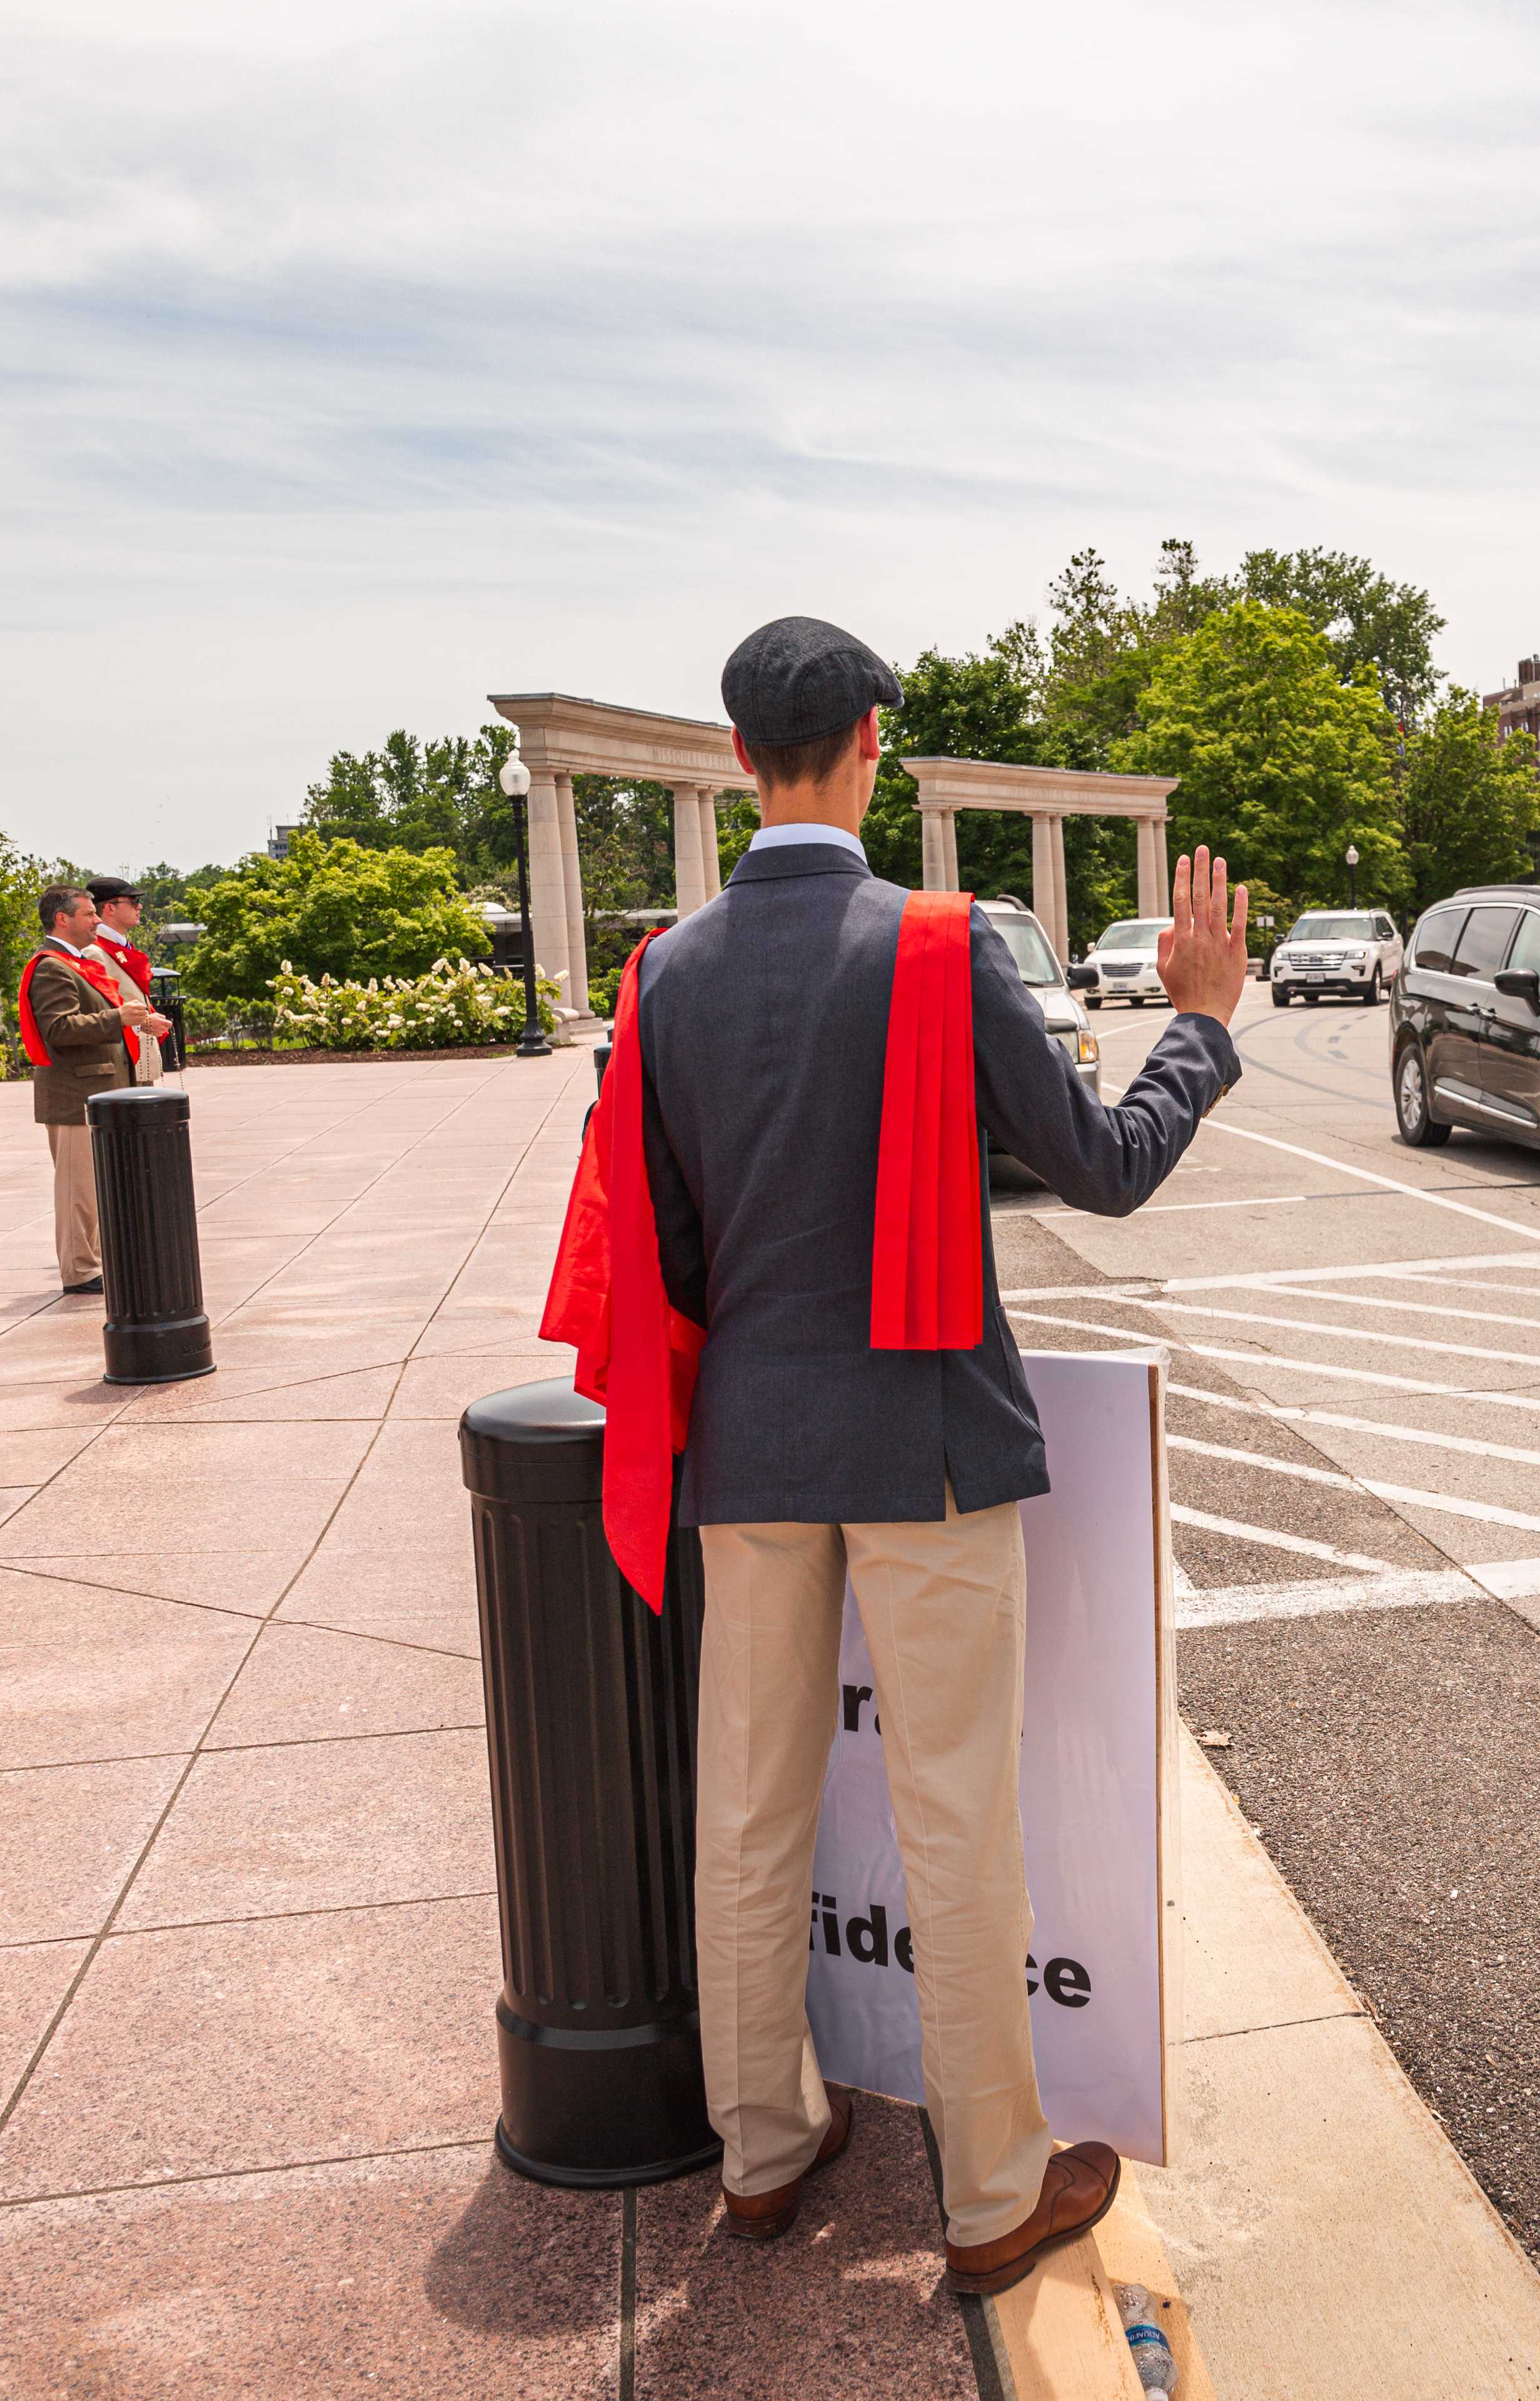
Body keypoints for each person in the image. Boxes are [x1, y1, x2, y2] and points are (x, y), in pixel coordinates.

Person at [545, 617, 1247, 2297]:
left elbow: (669, 1249)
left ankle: (766, 2150)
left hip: (751, 1445)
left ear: (735, 760)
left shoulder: (666, 972)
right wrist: (1201, 1026)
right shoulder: (937, 945)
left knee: (750, 1809)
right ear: (872, 742)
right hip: (922, 1435)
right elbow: (1101, 1167)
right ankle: (995, 2190)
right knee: (954, 1815)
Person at [16, 885, 165, 1296]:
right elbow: (59, 1029)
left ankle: (97, 1261)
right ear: (62, 919)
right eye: (88, 915)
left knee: (96, 1188)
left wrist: (139, 1021)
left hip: (96, 1092)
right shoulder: (51, 966)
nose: (97, 921)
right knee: (78, 1192)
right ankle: (81, 1270)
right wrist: (118, 1017)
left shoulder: (74, 962)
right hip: (74, 1097)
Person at [84, 876, 166, 1085]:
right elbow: (99, 1012)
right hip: (121, 1061)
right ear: (110, 908)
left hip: (138, 1058)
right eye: (132, 902)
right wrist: (145, 1023)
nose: (139, 906)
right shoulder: (94, 952)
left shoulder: (120, 946)